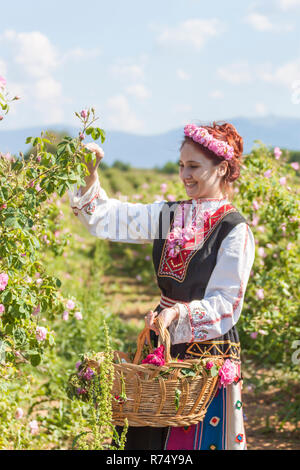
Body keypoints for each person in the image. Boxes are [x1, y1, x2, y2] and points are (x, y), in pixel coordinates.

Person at [68, 122, 255, 450]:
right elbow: (107, 218)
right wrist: (88, 176)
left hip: (206, 348)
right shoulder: (169, 215)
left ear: (222, 168)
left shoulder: (234, 229)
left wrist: (177, 315)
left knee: (192, 438)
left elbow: (226, 302)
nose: (185, 175)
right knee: (146, 430)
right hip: (161, 340)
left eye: (194, 166)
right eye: (181, 165)